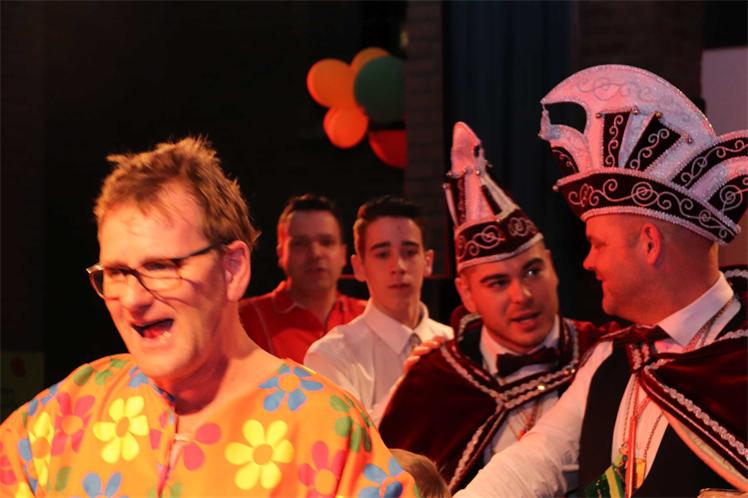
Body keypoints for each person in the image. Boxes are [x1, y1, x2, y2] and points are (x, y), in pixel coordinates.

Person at [0, 137, 417, 497]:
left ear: (232, 269)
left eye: (161, 266)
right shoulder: (68, 413)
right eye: (117, 273)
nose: (132, 299)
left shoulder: (326, 429)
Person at [457, 65, 748, 497]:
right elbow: (537, 461)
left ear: (649, 244)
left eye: (598, 244)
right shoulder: (611, 356)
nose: (589, 261)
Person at [378, 122, 601, 493]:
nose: (522, 295)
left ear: (552, 266)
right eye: (497, 283)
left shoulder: (606, 354)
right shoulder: (432, 382)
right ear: (466, 294)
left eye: (533, 271)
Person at [305, 196, 453, 424]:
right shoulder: (330, 356)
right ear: (359, 267)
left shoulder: (453, 344)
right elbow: (350, 441)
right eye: (383, 254)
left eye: (410, 252)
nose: (398, 267)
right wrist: (407, 384)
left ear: (428, 261)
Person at [239, 194, 365, 363]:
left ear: (343, 254)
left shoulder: (368, 317)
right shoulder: (245, 319)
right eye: (300, 243)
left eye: (326, 242)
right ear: (281, 253)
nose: (315, 253)